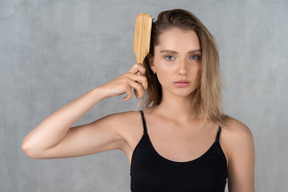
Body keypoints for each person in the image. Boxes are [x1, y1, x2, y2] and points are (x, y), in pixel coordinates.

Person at [22, 9, 255, 192]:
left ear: (206, 63)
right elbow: (35, 146)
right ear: (152, 63)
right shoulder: (129, 128)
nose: (182, 69)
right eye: (170, 57)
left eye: (194, 56)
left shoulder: (233, 135)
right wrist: (98, 92)